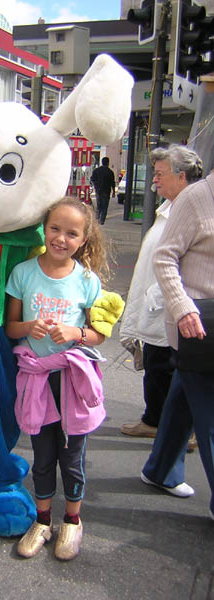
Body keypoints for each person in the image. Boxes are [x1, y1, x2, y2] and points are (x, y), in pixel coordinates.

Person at [5, 197, 108, 561]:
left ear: (84, 239)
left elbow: (99, 333)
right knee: (43, 455)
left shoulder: (88, 280)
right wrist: (28, 327)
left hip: (73, 380)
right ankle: (43, 520)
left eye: (72, 233)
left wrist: (76, 333)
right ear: (43, 229)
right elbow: (10, 327)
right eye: (55, 229)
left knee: (73, 457)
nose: (61, 239)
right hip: (37, 379)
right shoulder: (23, 273)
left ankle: (72, 521)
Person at [141, 168, 214, 521]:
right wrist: (183, 307)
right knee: (209, 414)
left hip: (203, 329)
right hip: (197, 326)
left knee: (185, 397)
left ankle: (160, 470)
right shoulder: (197, 198)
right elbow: (164, 257)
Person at [120, 145, 203, 449]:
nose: (154, 179)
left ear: (181, 176)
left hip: (174, 306)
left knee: (169, 369)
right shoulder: (168, 207)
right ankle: (154, 420)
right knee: (156, 366)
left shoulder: (191, 209)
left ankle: (182, 431)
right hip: (156, 302)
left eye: (159, 174)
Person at [90, 156, 116, 225]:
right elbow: (112, 183)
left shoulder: (96, 170)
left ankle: (97, 217)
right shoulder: (110, 172)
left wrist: (95, 185)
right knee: (105, 206)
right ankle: (102, 220)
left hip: (98, 190)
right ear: (108, 163)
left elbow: (92, 179)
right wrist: (113, 192)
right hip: (106, 191)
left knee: (99, 204)